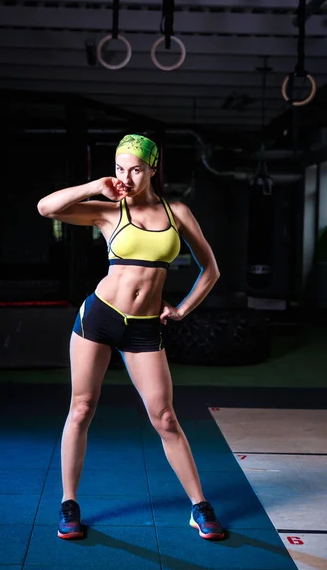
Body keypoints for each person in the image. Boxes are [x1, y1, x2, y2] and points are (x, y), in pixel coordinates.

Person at [37, 134, 224, 541]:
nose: (128, 177)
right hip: (99, 317)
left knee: (166, 417)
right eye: (121, 168)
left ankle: (199, 506)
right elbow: (45, 207)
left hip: (143, 327)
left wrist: (182, 308)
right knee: (82, 408)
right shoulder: (108, 211)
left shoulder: (177, 212)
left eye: (136, 168)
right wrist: (94, 186)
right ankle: (69, 504)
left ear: (153, 169)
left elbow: (210, 269)